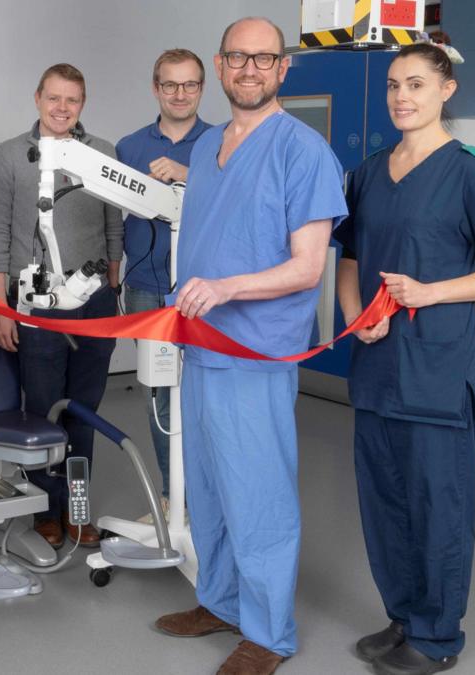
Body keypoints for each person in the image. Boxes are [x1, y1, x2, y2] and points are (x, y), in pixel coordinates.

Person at [154, 18, 348, 675]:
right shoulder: (209, 145)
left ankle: (268, 632)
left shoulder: (303, 151)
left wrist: (227, 287)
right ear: (221, 63)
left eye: (264, 58)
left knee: (257, 492)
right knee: (208, 486)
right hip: (201, 346)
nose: (250, 69)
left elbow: (306, 267)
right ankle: (220, 598)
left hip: (255, 352)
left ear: (283, 69)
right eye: (238, 57)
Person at [335, 35, 475, 675]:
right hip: (378, 370)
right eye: (394, 85)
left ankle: (438, 636)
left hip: (438, 374)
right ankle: (404, 616)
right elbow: (352, 258)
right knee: (385, 502)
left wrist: (431, 291)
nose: (401, 97)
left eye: (416, 84)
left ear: (446, 91)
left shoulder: (468, 172)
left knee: (438, 507)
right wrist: (352, 315)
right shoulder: (367, 173)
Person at [0, 63, 123, 548]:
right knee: (42, 411)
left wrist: (113, 288)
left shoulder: (102, 154)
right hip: (34, 304)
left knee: (83, 411)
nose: (62, 108)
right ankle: (46, 509)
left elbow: (114, 227)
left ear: (83, 103)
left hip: (93, 303)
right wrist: (2, 308)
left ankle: (78, 511)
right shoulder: (8, 157)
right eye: (54, 98)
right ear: (37, 98)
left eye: (73, 100)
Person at [115, 48, 212, 516]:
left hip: (205, 290)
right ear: (156, 88)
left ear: (202, 88)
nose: (180, 94)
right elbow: (113, 219)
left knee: (203, 393)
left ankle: (204, 499)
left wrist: (186, 176)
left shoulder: (223, 142)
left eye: (190, 84)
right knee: (160, 394)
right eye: (170, 85)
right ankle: (175, 499)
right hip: (145, 286)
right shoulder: (130, 147)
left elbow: (237, 202)